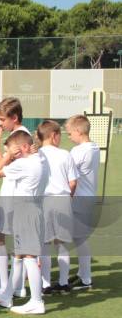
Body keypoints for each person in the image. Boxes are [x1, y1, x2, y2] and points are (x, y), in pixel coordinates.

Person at [0, 130, 47, 314]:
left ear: (23, 147)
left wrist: (7, 157)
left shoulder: (24, 163)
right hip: (32, 208)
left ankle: (36, 301)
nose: (14, 154)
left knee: (29, 256)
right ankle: (7, 295)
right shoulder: (40, 160)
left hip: (26, 210)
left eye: (15, 150)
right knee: (20, 255)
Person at [0, 98, 31, 299]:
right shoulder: (21, 135)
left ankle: (7, 285)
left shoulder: (18, 138)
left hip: (14, 194)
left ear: (14, 118)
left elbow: (2, 166)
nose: (0, 124)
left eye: (2, 119)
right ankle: (15, 285)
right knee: (14, 239)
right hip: (16, 193)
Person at [36, 120, 77, 295]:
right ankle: (62, 282)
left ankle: (45, 284)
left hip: (43, 201)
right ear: (54, 136)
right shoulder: (65, 154)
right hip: (62, 200)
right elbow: (73, 182)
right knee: (62, 244)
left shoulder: (36, 155)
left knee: (44, 245)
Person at [65, 115, 99, 291]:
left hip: (78, 199)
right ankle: (82, 274)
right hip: (87, 197)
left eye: (70, 133)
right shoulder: (93, 147)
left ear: (78, 131)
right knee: (79, 238)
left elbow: (65, 171)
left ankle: (86, 279)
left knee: (78, 239)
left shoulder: (78, 151)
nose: (69, 137)